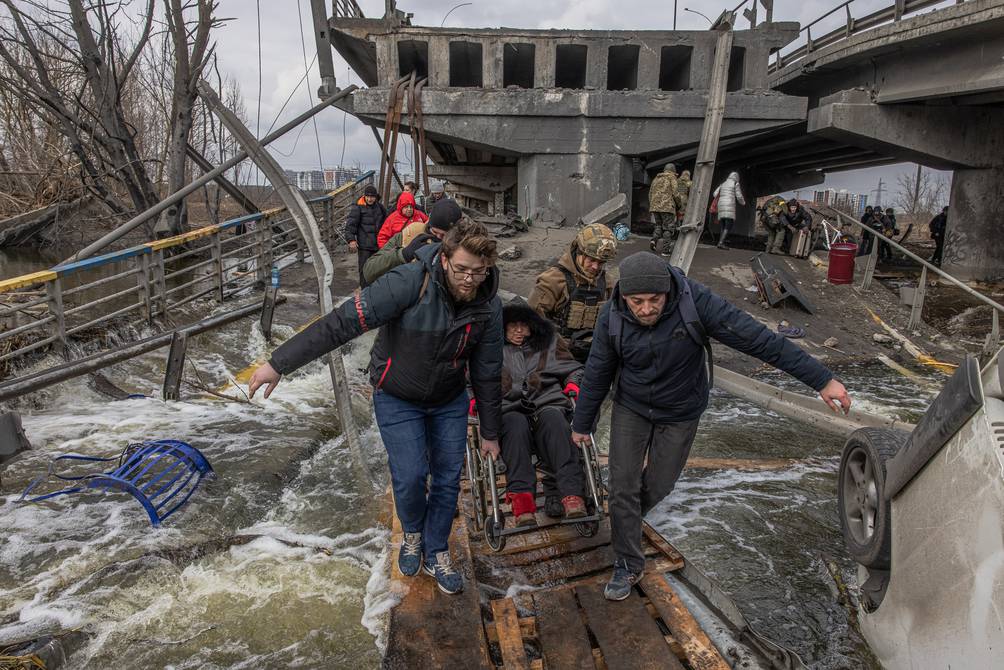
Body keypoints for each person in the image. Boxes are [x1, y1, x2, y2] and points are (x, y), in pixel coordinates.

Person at [570, 252, 852, 601]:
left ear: (668, 293)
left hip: (681, 409)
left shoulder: (696, 302)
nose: (645, 310)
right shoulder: (611, 316)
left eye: (654, 300)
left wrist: (822, 380)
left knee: (659, 484)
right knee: (623, 484)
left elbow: (761, 341)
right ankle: (628, 562)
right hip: (632, 406)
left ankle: (624, 520)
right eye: (636, 302)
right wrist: (582, 423)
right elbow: (597, 369)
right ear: (623, 296)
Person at [246, 223, 502, 596]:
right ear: (443, 258)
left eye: (478, 272)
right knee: (412, 475)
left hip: (448, 399)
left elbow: (488, 370)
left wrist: (491, 432)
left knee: (447, 480)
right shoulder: (408, 282)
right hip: (397, 395)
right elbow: (343, 322)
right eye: (462, 269)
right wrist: (279, 363)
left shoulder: (488, 304)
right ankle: (412, 533)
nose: (469, 279)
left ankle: (436, 549)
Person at [497, 298, 588, 526]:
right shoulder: (489, 349)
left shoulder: (548, 343)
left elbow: (574, 369)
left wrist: (573, 385)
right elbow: (470, 381)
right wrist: (472, 401)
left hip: (547, 402)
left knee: (555, 420)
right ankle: (523, 501)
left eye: (524, 325)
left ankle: (572, 495)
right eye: (513, 325)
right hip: (509, 407)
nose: (519, 330)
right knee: (514, 425)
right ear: (503, 326)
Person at [529, 223, 618, 364]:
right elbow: (533, 321)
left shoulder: (606, 282)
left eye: (601, 262)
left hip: (592, 353)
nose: (596, 267)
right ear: (579, 252)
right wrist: (563, 345)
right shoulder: (553, 280)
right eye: (591, 260)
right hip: (557, 354)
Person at [364, 199, 463, 284]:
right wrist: (402, 254)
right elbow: (369, 271)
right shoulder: (410, 234)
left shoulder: (465, 245)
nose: (438, 237)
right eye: (435, 232)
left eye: (444, 235)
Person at [344, 184, 387, 287]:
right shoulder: (358, 208)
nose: (370, 199)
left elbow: (387, 223)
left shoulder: (380, 208)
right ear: (364, 196)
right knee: (364, 272)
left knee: (378, 271)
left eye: (372, 196)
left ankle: (377, 293)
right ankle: (365, 294)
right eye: (367, 196)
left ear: (376, 197)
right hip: (365, 247)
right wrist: (351, 240)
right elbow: (350, 226)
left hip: (378, 246)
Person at [649, 164, 679, 256]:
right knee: (668, 228)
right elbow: (676, 193)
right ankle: (666, 250)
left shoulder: (656, 179)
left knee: (658, 225)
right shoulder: (672, 177)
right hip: (667, 207)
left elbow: (650, 193)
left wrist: (653, 205)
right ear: (673, 170)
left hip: (655, 207)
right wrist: (679, 205)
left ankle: (654, 241)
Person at [713, 172, 745, 249]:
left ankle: (720, 242)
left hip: (721, 205)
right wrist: (743, 203)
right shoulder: (735, 183)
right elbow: (739, 196)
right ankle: (721, 243)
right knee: (728, 226)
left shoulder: (723, 184)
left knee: (723, 226)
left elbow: (714, 194)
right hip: (729, 205)